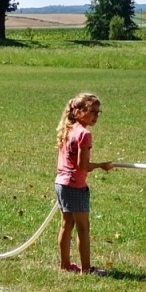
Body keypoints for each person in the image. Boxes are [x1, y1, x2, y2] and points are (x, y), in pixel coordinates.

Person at [54, 92, 113, 273]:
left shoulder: (68, 128)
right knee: (83, 228)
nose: (96, 116)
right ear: (78, 111)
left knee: (66, 225)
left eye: (98, 112)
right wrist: (101, 165)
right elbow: (83, 165)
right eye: (92, 111)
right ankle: (86, 269)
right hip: (75, 186)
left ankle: (65, 264)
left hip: (61, 184)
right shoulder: (84, 134)